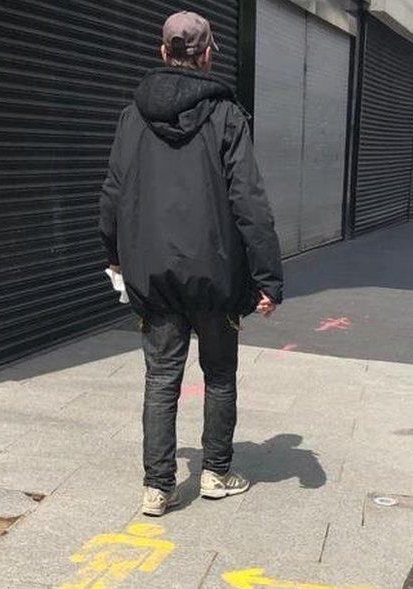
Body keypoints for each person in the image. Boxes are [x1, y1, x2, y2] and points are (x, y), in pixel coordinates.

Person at [100, 11, 283, 516]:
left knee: (161, 379)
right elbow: (250, 201)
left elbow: (113, 194)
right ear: (206, 56)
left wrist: (114, 257)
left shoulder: (131, 116)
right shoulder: (226, 115)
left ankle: (158, 488)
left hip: (154, 276)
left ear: (163, 52)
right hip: (216, 275)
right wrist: (269, 277)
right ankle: (216, 473)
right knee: (220, 374)